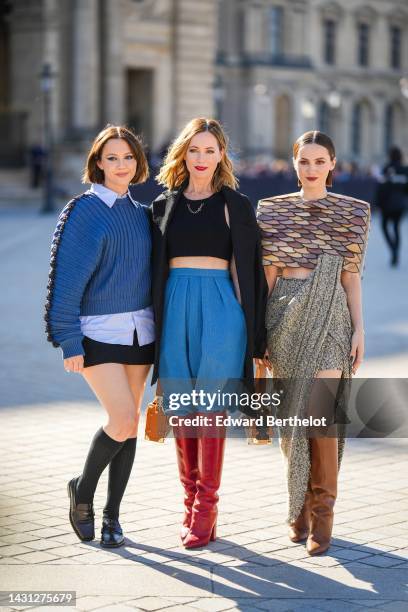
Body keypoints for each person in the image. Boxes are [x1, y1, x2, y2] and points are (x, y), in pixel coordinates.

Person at [151, 117, 267, 548]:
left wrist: (253, 334)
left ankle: (207, 506)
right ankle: (189, 501)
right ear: (183, 153)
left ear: (222, 155)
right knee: (181, 410)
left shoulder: (236, 206)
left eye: (210, 150)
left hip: (221, 307)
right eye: (193, 150)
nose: (201, 158)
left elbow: (248, 271)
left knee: (210, 410)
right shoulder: (163, 206)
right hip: (175, 307)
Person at [257, 130, 370, 555]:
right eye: (304, 161)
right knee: (291, 421)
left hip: (333, 316)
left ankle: (324, 513)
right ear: (294, 163)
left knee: (322, 415)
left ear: (332, 165)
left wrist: (359, 329)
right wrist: (260, 334)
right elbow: (267, 277)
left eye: (319, 161)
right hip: (284, 314)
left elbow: (351, 278)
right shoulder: (271, 210)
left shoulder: (352, 213)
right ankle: (298, 506)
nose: (311, 169)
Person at [45, 125, 154, 548]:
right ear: (98, 163)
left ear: (138, 162)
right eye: (112, 158)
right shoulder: (84, 210)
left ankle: (113, 517)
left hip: (141, 332)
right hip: (97, 333)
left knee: (130, 427)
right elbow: (66, 280)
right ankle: (83, 493)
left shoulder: (140, 212)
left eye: (127, 157)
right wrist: (68, 339)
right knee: (123, 419)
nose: (121, 165)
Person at [376, 146, 408, 266]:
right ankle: (396, 252)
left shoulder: (386, 169)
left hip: (387, 204)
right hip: (400, 204)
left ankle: (393, 249)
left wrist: (378, 203)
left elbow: (381, 188)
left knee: (384, 227)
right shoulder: (405, 170)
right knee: (396, 228)